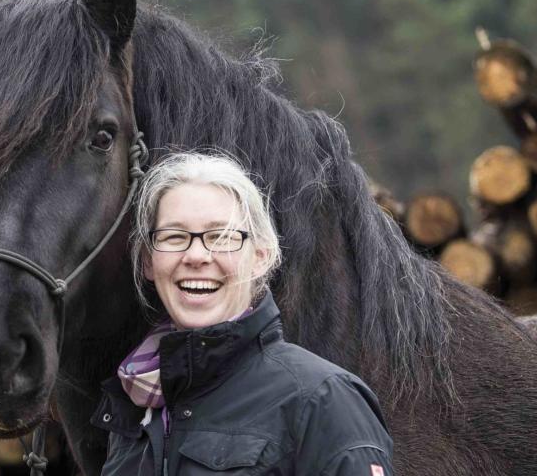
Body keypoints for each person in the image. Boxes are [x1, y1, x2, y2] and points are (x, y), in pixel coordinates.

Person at [91, 152, 394, 475]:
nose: (196, 255)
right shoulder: (136, 404)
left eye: (221, 237)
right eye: (175, 236)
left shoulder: (322, 400)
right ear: (149, 261)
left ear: (262, 256)